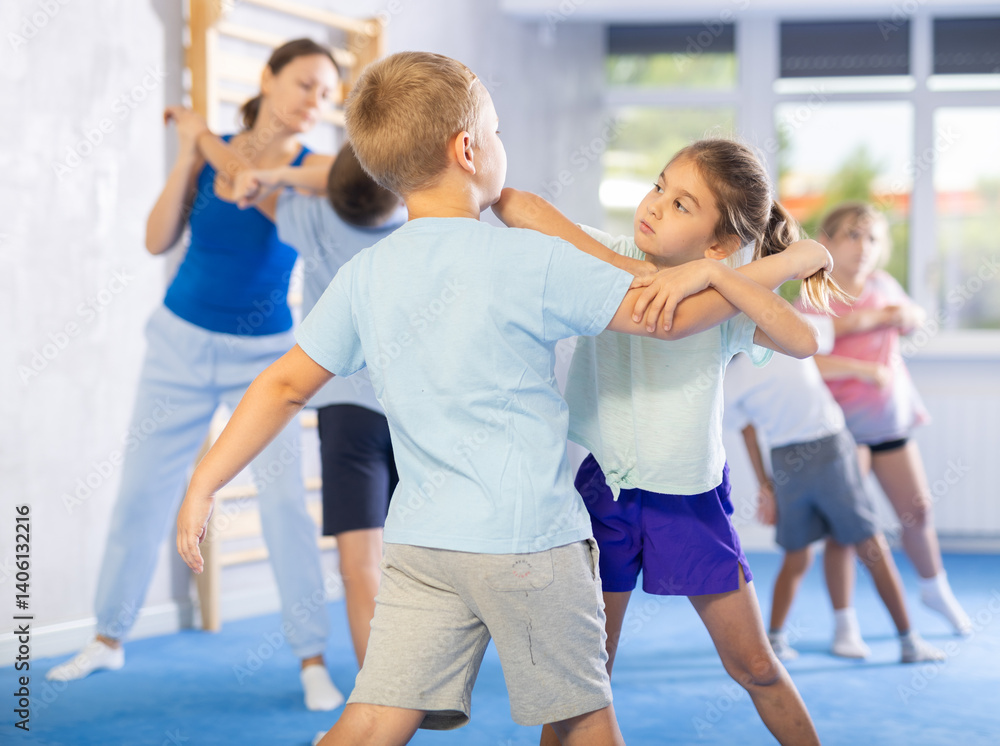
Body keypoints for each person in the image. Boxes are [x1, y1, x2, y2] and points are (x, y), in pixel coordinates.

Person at [175, 52, 829, 745]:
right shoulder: (532, 262)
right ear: (467, 148)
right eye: (496, 131)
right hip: (532, 542)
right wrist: (775, 263)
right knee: (584, 723)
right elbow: (659, 313)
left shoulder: (367, 274)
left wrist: (204, 481)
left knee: (369, 724)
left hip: (424, 542)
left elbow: (280, 385)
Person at [499, 139, 840, 746]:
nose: (654, 205)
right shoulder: (608, 255)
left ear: (720, 244)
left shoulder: (727, 298)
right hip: (603, 492)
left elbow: (803, 340)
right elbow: (517, 205)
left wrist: (714, 277)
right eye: (659, 185)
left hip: (688, 500)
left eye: (682, 204)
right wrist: (642, 273)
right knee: (584, 678)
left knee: (755, 666)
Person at [47, 39, 346, 712]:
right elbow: (157, 240)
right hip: (177, 345)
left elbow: (262, 186)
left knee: (283, 508)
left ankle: (311, 658)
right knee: (141, 493)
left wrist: (203, 134)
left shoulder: (313, 169)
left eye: (327, 95)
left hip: (264, 360)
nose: (315, 103)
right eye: (304, 84)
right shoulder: (213, 158)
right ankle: (107, 637)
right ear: (267, 79)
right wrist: (191, 150)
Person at [232, 143, 407, 668]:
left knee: (361, 566)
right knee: (418, 561)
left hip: (348, 414)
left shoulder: (315, 219)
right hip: (415, 411)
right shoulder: (420, 229)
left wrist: (271, 171)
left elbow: (256, 188)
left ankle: (377, 703)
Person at [724, 317, 947, 664]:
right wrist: (765, 485)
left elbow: (830, 334)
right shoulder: (731, 376)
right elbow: (747, 430)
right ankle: (775, 639)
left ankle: (909, 640)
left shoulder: (790, 337)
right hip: (787, 462)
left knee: (871, 546)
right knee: (798, 555)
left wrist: (871, 350)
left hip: (830, 450)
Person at [810, 202, 972, 635]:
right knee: (847, 531)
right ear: (825, 241)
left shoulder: (884, 284)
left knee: (918, 511)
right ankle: (844, 622)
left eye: (874, 238)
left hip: (889, 424)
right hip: (841, 432)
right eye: (852, 235)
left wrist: (907, 315)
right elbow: (807, 358)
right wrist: (870, 332)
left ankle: (934, 587)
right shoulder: (816, 295)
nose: (864, 247)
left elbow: (915, 317)